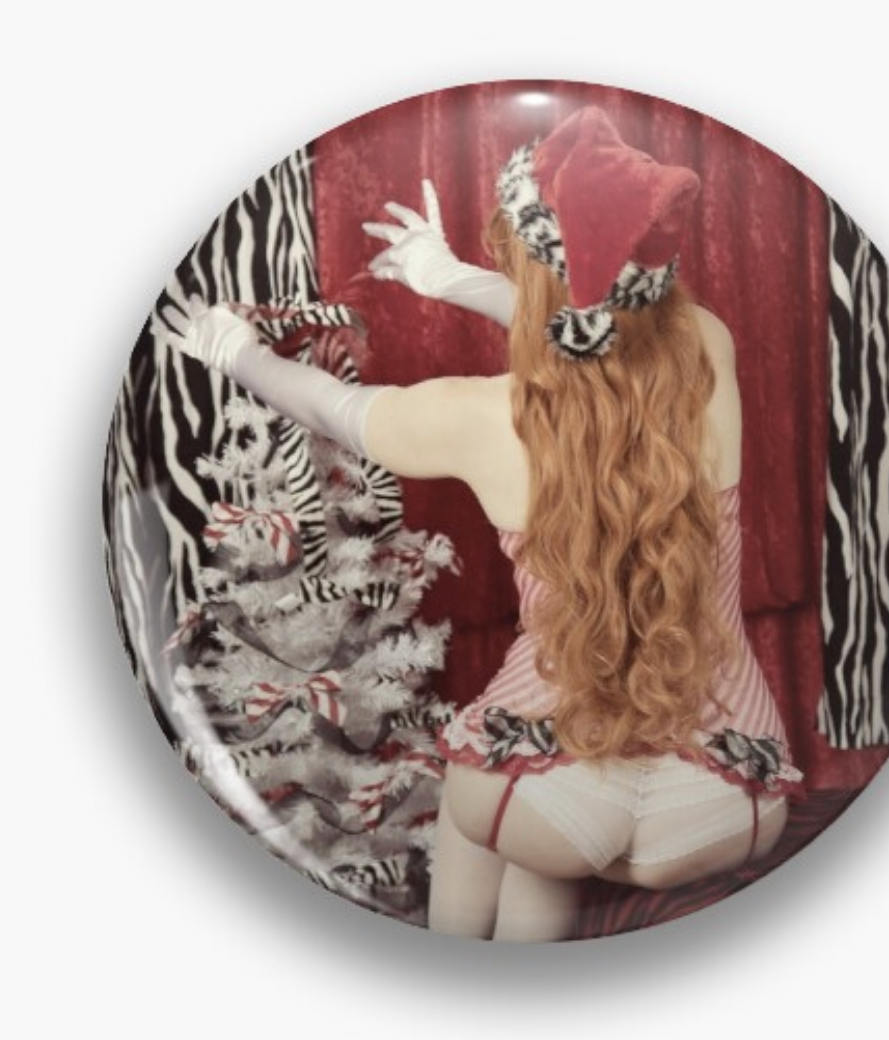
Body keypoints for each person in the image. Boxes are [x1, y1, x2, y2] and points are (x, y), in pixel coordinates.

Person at [174, 106, 802, 942]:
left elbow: (331, 406)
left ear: (531, 270)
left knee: (518, 821)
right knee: (548, 842)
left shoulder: (475, 417)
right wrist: (451, 278)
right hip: (733, 799)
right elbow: (601, 331)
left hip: (544, 802)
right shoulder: (706, 343)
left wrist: (235, 352)